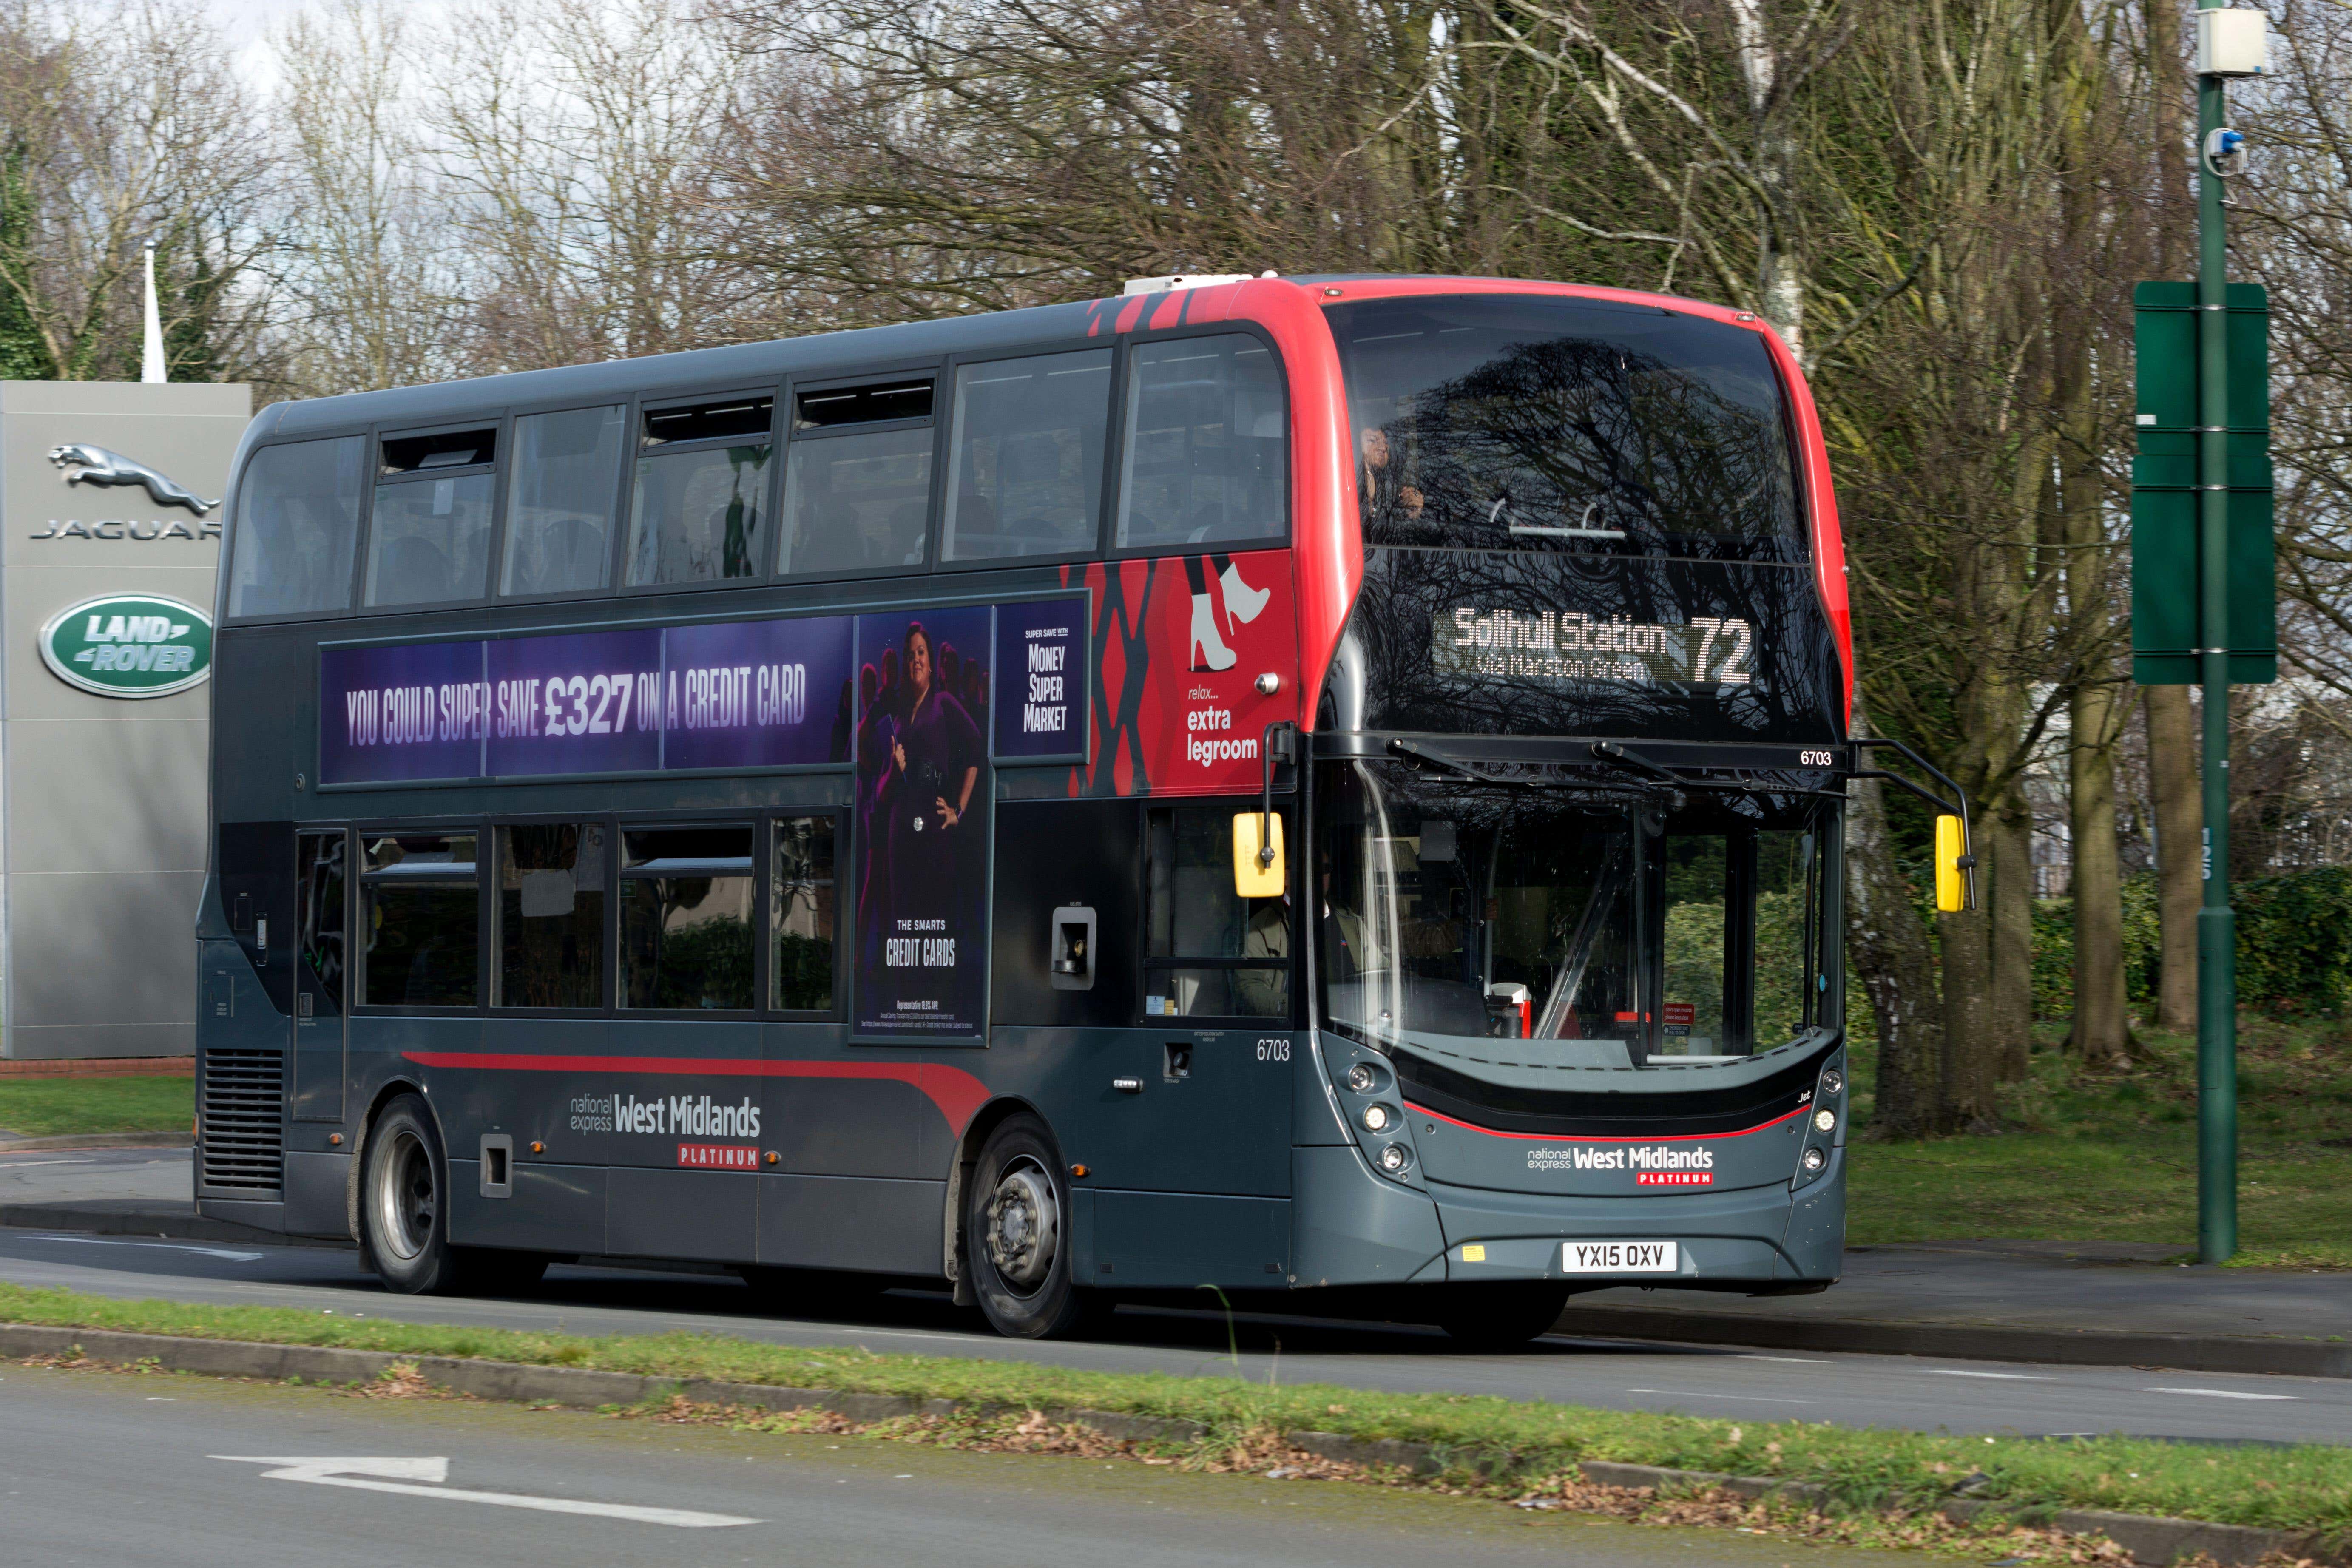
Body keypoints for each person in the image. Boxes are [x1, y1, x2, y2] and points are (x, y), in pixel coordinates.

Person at [1356, 426, 1425, 530]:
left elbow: (1394, 525)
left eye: (1386, 443)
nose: (1383, 448)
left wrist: (1413, 510)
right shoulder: (1349, 482)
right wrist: (1369, 500)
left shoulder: (1392, 484)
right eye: (1372, 440)